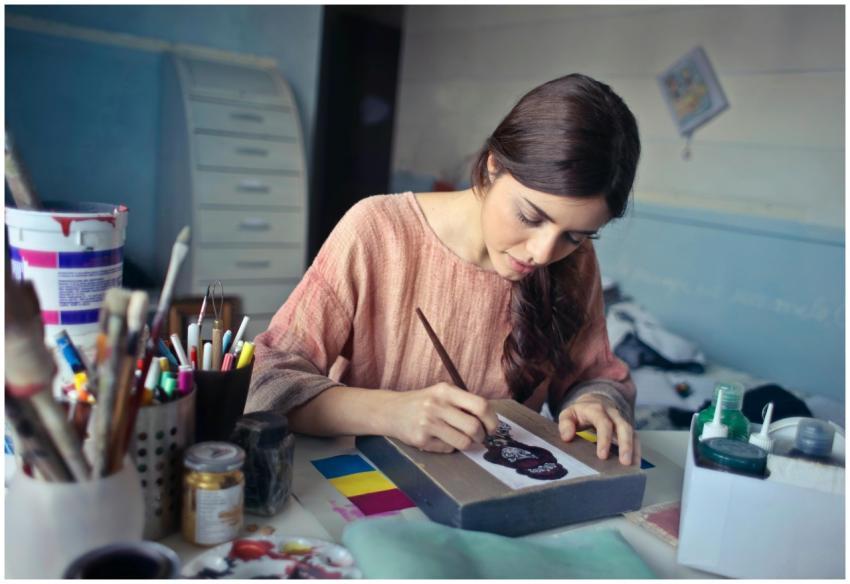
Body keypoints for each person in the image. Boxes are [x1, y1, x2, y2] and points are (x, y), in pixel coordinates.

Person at [245, 73, 642, 465]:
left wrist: (596, 401)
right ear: (491, 167)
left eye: (575, 235)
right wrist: (390, 412)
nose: (543, 252)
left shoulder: (574, 260)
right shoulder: (377, 231)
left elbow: (595, 375)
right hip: (362, 486)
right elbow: (267, 381)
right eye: (530, 215)